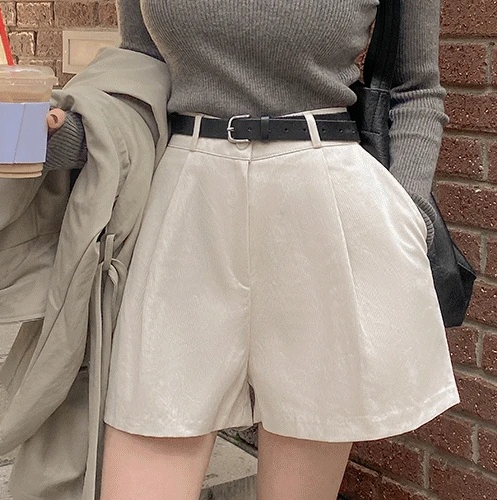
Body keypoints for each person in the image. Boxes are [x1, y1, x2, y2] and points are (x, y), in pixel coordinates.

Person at [45, 0, 459, 498]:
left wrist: (408, 214)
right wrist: (50, 137)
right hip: (186, 208)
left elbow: (416, 87)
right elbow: (140, 77)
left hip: (324, 209)